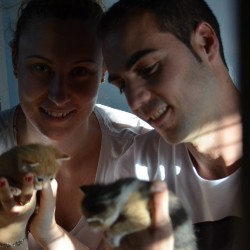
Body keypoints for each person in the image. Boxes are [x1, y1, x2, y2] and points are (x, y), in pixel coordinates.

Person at [0, 0, 158, 249]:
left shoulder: (141, 151)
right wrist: (10, 234)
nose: (58, 96)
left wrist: (47, 233)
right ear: (15, 58)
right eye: (41, 68)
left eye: (80, 72)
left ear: (104, 68)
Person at [99, 0, 243, 249]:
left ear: (205, 43)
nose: (134, 101)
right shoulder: (138, 169)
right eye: (123, 85)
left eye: (149, 68)